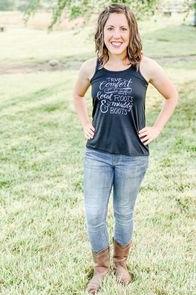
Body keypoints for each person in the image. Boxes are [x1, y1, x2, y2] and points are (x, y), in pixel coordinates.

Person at [73, 3, 178, 294]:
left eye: (123, 28)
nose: (116, 34)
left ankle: (120, 263)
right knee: (94, 214)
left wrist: (156, 128)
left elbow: (172, 97)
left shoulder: (144, 66)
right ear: (102, 32)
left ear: (131, 32)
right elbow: (77, 96)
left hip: (133, 157)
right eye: (110, 28)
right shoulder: (91, 67)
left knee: (123, 213)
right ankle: (101, 268)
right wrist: (84, 122)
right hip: (98, 154)